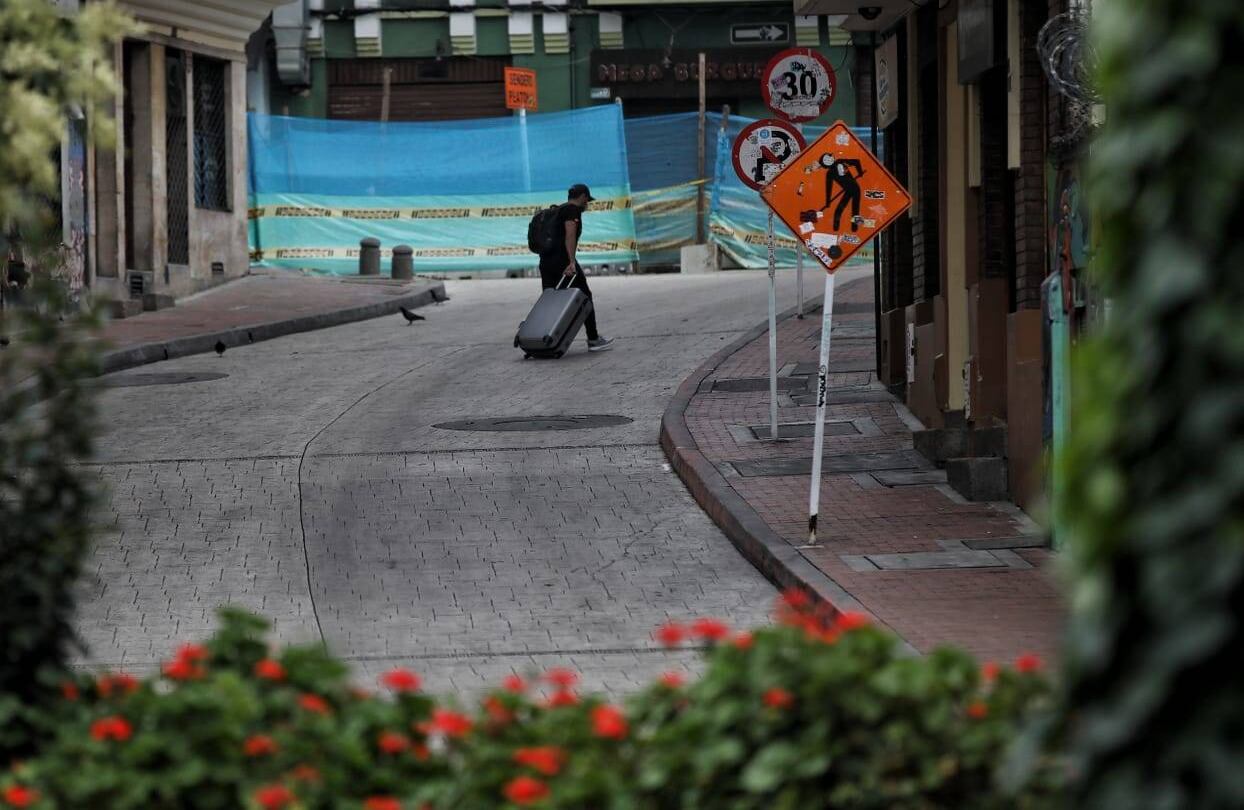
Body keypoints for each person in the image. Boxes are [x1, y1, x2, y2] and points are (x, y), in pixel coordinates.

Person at [539, 183, 614, 352]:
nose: (587, 203)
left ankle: (542, 338)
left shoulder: (557, 210)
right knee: (584, 296)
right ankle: (593, 339)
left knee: (549, 301)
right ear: (583, 197)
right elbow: (570, 235)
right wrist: (571, 261)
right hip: (562, 262)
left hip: (546, 261)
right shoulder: (572, 210)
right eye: (587, 199)